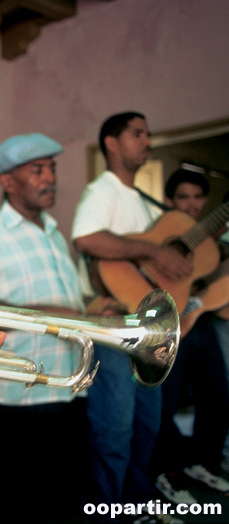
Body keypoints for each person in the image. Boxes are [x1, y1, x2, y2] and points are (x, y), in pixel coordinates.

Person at [0, 133, 89, 521]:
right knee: (11, 504)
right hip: (14, 401)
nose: (50, 178)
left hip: (66, 390)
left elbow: (73, 304)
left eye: (52, 168)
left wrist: (94, 308)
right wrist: (57, 313)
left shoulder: (53, 233)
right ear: (7, 182)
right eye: (37, 170)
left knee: (61, 501)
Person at [71, 112, 192, 524]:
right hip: (116, 326)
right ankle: (107, 512)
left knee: (148, 425)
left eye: (148, 133)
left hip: (148, 330)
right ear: (111, 143)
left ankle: (136, 503)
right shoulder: (101, 192)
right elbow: (87, 238)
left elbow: (152, 267)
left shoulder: (142, 200)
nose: (147, 140)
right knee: (115, 431)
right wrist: (155, 253)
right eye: (137, 133)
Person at [153, 169, 229, 504]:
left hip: (202, 324)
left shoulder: (213, 240)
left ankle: (203, 462)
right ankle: (168, 473)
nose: (193, 204)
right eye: (185, 197)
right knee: (165, 404)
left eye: (199, 197)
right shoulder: (158, 236)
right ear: (170, 202)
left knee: (218, 395)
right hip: (172, 327)